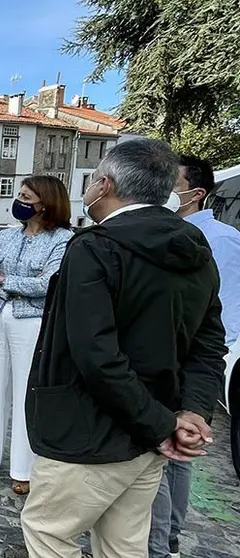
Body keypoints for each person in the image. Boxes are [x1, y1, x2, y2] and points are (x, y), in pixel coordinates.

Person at [20, 138, 227, 558]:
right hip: (150, 437)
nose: (90, 187)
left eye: (94, 180)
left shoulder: (95, 247)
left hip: (89, 432)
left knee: (47, 533)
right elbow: (207, 345)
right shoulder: (196, 248)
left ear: (106, 185)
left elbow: (96, 356)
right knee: (123, 544)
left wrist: (162, 425)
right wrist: (189, 412)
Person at [149, 155, 240, 558]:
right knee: (174, 453)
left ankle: (160, 542)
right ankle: (167, 537)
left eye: (174, 182)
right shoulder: (175, 230)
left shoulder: (218, 238)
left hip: (187, 357)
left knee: (168, 456)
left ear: (195, 192)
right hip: (177, 353)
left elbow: (221, 306)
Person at [0, 176, 74, 496]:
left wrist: (3, 279)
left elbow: (48, 284)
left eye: (26, 196)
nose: (19, 200)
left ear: (45, 202)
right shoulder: (6, 234)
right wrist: (2, 281)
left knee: (24, 391)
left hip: (30, 321)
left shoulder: (62, 238)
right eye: (20, 194)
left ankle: (23, 467)